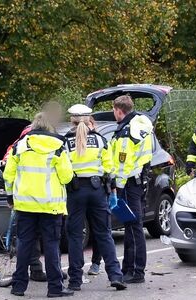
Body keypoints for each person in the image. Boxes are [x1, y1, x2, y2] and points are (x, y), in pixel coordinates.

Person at [4, 113, 74, 298]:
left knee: (24, 244)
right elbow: (67, 176)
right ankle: (55, 288)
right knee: (51, 246)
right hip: (50, 206)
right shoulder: (58, 146)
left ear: (34, 126)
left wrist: (10, 197)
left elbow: (8, 175)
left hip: (25, 205)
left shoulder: (20, 145)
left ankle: (18, 286)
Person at [63, 104, 126, 291]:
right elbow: (109, 167)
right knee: (104, 233)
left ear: (72, 121)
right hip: (97, 190)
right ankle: (115, 276)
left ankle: (75, 280)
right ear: (89, 120)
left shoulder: (65, 142)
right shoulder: (100, 140)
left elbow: (63, 170)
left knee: (75, 236)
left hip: (75, 191)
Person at [109, 95, 153, 284]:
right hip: (135, 182)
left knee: (134, 227)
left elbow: (123, 163)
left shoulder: (128, 131)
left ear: (119, 110)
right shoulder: (139, 125)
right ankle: (129, 267)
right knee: (131, 226)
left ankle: (136, 271)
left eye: (113, 110)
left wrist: (116, 185)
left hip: (128, 183)